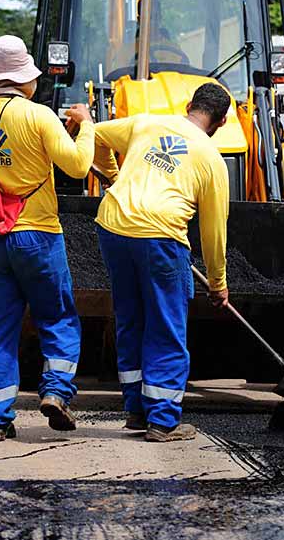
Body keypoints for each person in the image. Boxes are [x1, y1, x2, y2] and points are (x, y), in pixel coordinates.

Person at [0, 35, 95, 442]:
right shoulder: (38, 116)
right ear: (25, 81)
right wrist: (85, 127)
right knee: (57, 318)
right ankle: (55, 393)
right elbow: (78, 164)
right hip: (39, 237)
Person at [92, 83, 231, 442]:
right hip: (161, 237)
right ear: (222, 121)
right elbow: (214, 232)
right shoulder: (212, 161)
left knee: (131, 319)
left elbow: (94, 133)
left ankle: (137, 411)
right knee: (166, 327)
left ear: (188, 105)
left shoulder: (147, 123)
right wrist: (218, 283)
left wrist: (114, 176)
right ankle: (164, 421)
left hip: (113, 227)